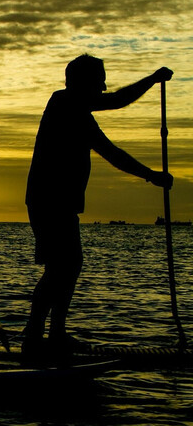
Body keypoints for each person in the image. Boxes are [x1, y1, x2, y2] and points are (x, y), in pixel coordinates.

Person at [23, 54, 173, 356]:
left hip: (60, 203)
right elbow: (118, 100)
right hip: (49, 202)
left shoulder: (81, 117)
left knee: (67, 266)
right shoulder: (63, 103)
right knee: (60, 268)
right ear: (81, 82)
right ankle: (35, 337)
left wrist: (151, 177)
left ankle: (53, 334)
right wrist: (152, 78)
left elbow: (112, 153)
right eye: (99, 79)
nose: (103, 86)